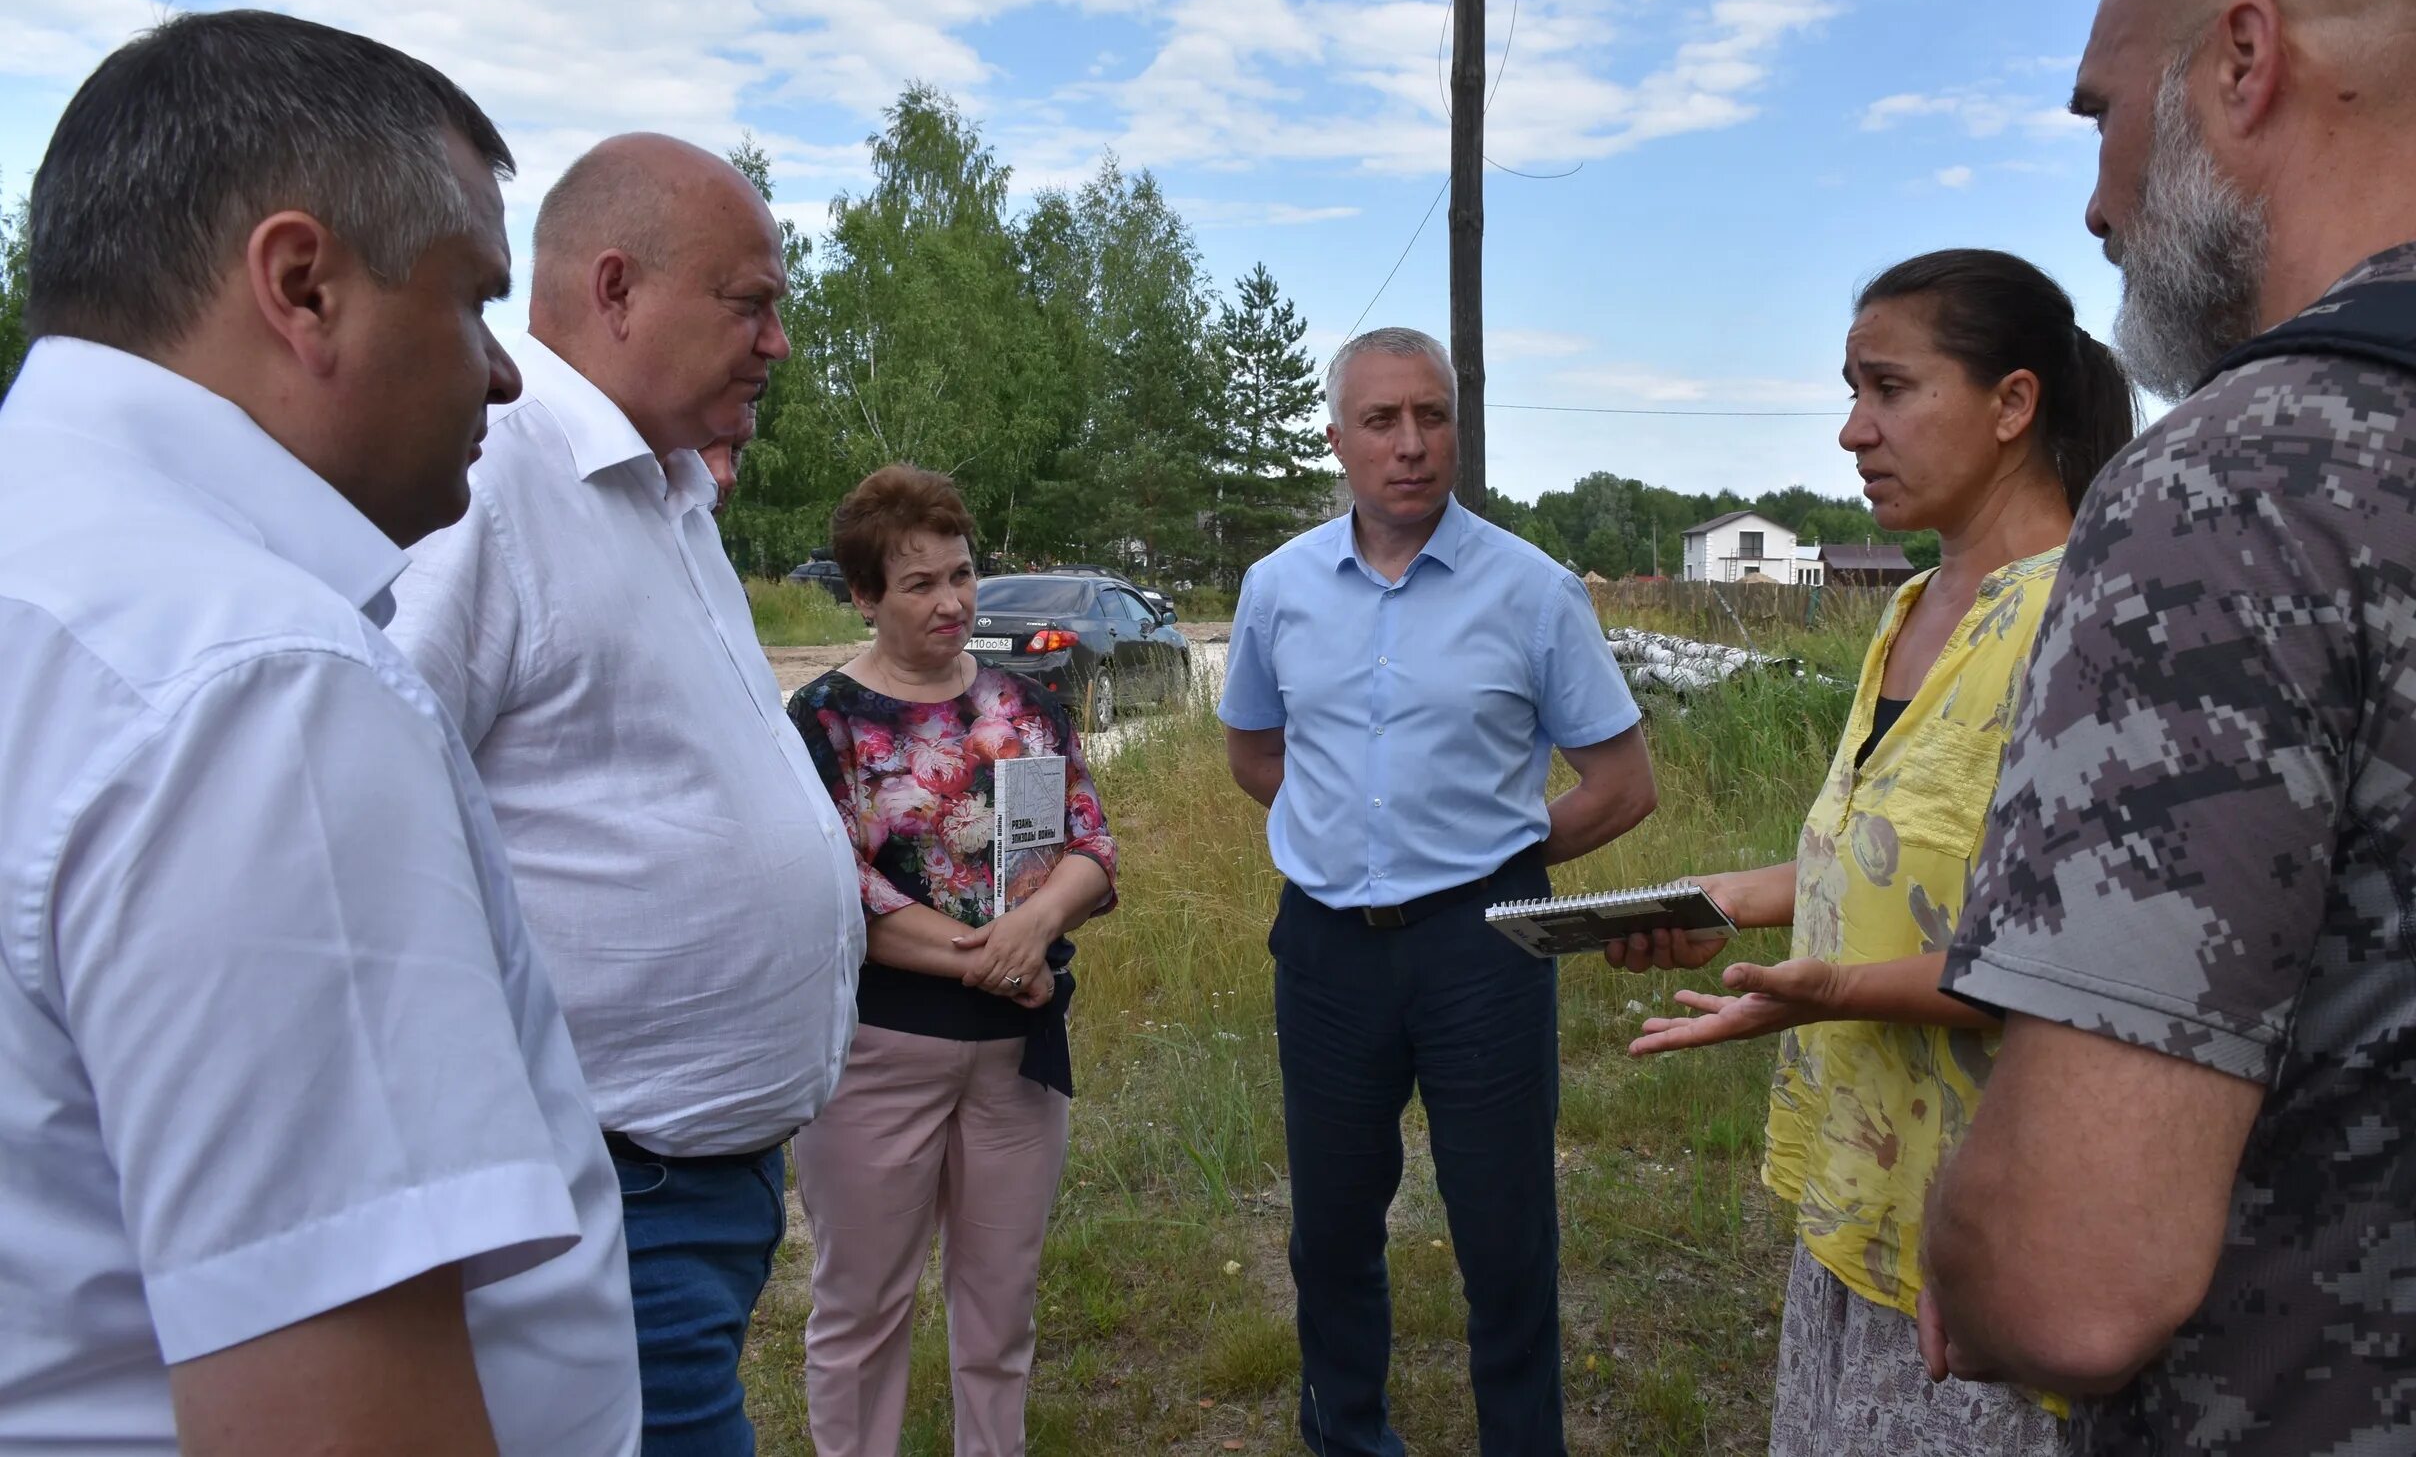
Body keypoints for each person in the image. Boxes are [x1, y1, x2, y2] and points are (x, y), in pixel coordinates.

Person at [1918, 0, 2416, 1456]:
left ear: (2243, 64)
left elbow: (2074, 1277)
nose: (2095, 203)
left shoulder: (2242, 478)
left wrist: (1967, 1251)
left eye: (2101, 114)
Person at [0, 10, 639, 1452]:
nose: (505, 372)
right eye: (474, 299)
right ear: (305, 285)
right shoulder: (256, 688)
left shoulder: (55, 577)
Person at [1614, 250, 2134, 1454]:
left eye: (1889, 389)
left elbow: (2077, 955)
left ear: (2012, 405)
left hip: (1989, 1227)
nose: (1853, 431)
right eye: (1849, 390)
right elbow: (1886, 862)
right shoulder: (1909, 607)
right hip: (1859, 1193)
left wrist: (1829, 989)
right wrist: (1721, 903)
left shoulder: (2083, 618)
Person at [390, 132, 862, 1455]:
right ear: (615, 289)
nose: (777, 341)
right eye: (751, 302)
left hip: (691, 1183)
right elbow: (364, 825)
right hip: (596, 1192)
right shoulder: (481, 480)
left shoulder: (663, 486)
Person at [1219, 326, 1658, 1457]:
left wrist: (1492, 857)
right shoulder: (1277, 590)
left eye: (1433, 416)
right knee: (1330, 1224)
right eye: (1381, 420)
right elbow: (1259, 757)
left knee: (1504, 1229)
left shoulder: (1533, 589)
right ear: (1337, 438)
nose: (1410, 444)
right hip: (1325, 953)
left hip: (1484, 948)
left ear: (1458, 427)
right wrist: (1352, 838)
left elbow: (1620, 784)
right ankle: (1346, 1434)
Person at [785, 464, 1118, 1457]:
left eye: (962, 575)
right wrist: (994, 951)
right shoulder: (824, 720)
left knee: (999, 1309)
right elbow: (843, 894)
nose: (951, 602)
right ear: (864, 596)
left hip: (1017, 1055)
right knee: (862, 1312)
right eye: (920, 582)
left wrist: (1038, 921)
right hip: (878, 1056)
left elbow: (1091, 850)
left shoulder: (1026, 709)